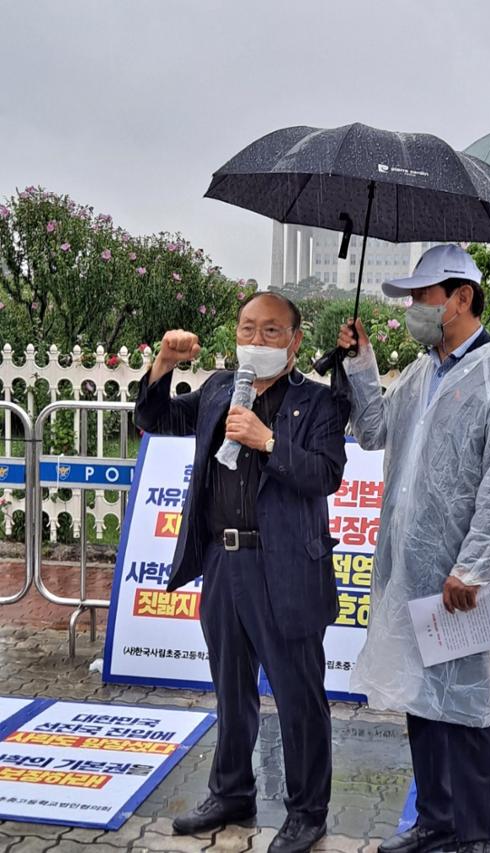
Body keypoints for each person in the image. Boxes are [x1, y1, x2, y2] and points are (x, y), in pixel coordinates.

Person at [337, 244, 490, 853]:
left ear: (460, 298)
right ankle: (435, 822)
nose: (413, 309)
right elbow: (374, 431)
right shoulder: (425, 371)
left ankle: (478, 836)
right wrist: (361, 363)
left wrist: (475, 566)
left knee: (470, 706)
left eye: (422, 297)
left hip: (462, 575)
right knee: (420, 696)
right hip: (409, 567)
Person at [136, 292, 349, 853]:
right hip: (223, 562)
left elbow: (327, 474)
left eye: (271, 332)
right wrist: (163, 365)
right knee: (231, 689)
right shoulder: (216, 389)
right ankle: (231, 792)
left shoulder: (318, 403)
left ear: (296, 342)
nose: (256, 341)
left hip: (286, 570)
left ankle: (308, 811)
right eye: (248, 329)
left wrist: (268, 440)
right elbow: (154, 417)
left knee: (299, 697)